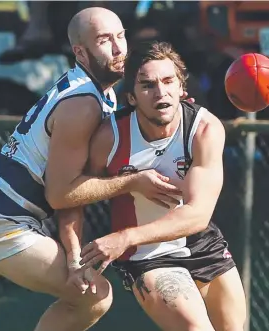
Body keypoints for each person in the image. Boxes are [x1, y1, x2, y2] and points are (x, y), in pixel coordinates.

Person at [0, 7, 185, 331]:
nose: (119, 48)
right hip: (0, 220)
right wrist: (134, 182)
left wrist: (74, 255)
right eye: (105, 40)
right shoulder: (83, 104)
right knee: (96, 295)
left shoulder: (98, 93)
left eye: (121, 37)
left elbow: (70, 192)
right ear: (80, 52)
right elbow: (63, 193)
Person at [58, 41, 247, 331]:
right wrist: (74, 260)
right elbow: (72, 195)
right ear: (132, 97)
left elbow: (198, 215)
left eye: (168, 81)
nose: (161, 92)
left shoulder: (204, 129)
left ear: (182, 88)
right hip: (148, 257)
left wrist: (123, 237)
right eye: (147, 86)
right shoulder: (110, 137)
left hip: (203, 245)